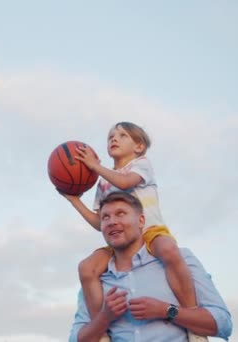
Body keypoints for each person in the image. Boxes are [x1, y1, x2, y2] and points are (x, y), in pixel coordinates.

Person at [61, 122, 204, 340]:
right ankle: (102, 331)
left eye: (122, 135)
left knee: (169, 249)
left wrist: (94, 166)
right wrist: (74, 200)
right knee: (87, 267)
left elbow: (126, 182)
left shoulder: (141, 164)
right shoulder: (103, 184)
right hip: (120, 242)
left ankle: (192, 320)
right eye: (110, 136)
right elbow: (100, 222)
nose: (113, 139)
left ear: (138, 146)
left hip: (151, 231)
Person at [68, 191, 232, 342]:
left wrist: (166, 310)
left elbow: (222, 323)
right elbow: (77, 339)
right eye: (105, 217)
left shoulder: (180, 260)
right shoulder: (96, 278)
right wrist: (104, 318)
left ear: (141, 221)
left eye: (121, 214)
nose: (112, 222)